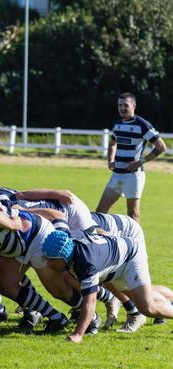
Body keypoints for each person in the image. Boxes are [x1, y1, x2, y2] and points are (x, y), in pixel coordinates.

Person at [42, 229, 173, 343]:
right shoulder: (65, 238)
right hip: (116, 260)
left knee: (146, 307)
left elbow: (90, 301)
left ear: (64, 257)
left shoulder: (86, 263)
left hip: (130, 257)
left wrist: (78, 334)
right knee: (139, 295)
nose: (49, 264)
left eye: (52, 259)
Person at [95, 92, 166, 223]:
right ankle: (99, 241)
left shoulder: (142, 125)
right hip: (117, 175)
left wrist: (142, 161)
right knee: (100, 212)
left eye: (125, 105)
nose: (122, 108)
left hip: (133, 176)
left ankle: (136, 243)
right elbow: (112, 143)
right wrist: (110, 160)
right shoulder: (117, 124)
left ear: (134, 106)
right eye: (120, 105)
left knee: (133, 214)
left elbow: (161, 147)